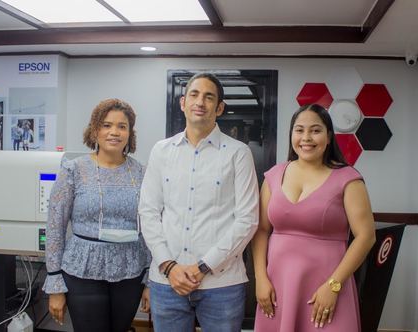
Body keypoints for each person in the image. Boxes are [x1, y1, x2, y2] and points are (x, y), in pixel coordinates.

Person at [139, 72, 259, 332]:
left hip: (222, 285)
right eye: (194, 94)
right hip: (166, 281)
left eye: (208, 97)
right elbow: (148, 213)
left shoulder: (238, 154)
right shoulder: (161, 151)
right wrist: (169, 267)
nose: (200, 102)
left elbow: (247, 219)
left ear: (219, 108)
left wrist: (203, 266)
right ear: (183, 103)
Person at [252, 103, 376, 331]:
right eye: (299, 130)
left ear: (328, 137)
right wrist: (260, 278)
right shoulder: (273, 175)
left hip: (328, 284)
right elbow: (261, 230)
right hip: (278, 285)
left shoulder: (349, 179)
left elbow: (366, 236)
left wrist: (334, 286)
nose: (306, 137)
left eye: (315, 130)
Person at [43, 99, 151, 332]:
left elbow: (153, 226)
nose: (114, 132)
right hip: (82, 271)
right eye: (106, 125)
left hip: (130, 271)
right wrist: (54, 284)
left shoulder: (142, 173)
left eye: (122, 126)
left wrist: (150, 279)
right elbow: (55, 228)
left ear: (130, 133)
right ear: (95, 130)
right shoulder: (74, 170)